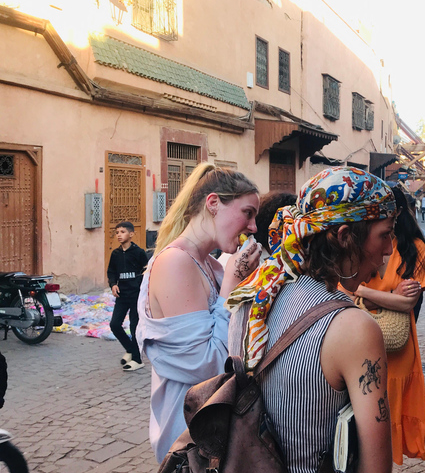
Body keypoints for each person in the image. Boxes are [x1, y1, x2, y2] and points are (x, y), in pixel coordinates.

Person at [227, 167, 395, 473]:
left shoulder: (252, 295)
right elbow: (376, 467)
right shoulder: (353, 328)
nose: (389, 249)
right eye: (385, 234)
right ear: (345, 237)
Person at [136, 163, 263, 462]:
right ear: (214, 203)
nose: (254, 227)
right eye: (247, 213)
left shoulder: (212, 265)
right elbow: (207, 366)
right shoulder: (175, 263)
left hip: (210, 431)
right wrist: (232, 284)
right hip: (188, 437)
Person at [353, 186, 425, 465]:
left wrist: (364, 291)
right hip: (363, 346)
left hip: (397, 348)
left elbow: (408, 304)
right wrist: (390, 297)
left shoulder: (415, 249)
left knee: (389, 413)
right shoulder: (361, 244)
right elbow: (343, 290)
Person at [107, 221, 149, 372]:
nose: (119, 235)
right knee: (114, 324)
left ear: (131, 234)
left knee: (134, 326)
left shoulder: (139, 253)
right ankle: (130, 349)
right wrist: (113, 284)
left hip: (136, 295)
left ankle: (138, 360)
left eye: (123, 232)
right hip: (122, 295)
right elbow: (111, 271)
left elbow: (147, 272)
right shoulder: (115, 254)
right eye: (117, 232)